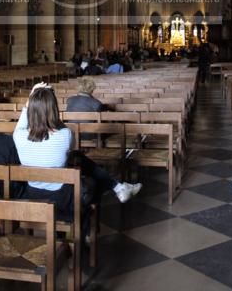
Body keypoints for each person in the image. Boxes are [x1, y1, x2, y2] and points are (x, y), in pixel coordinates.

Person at [13, 83, 142, 223]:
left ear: (30, 109)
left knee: (77, 157)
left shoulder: (18, 136)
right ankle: (92, 220)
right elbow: (60, 131)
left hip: (33, 194)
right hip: (62, 199)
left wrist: (31, 98)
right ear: (54, 110)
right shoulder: (64, 135)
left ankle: (118, 188)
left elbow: (22, 124)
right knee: (91, 178)